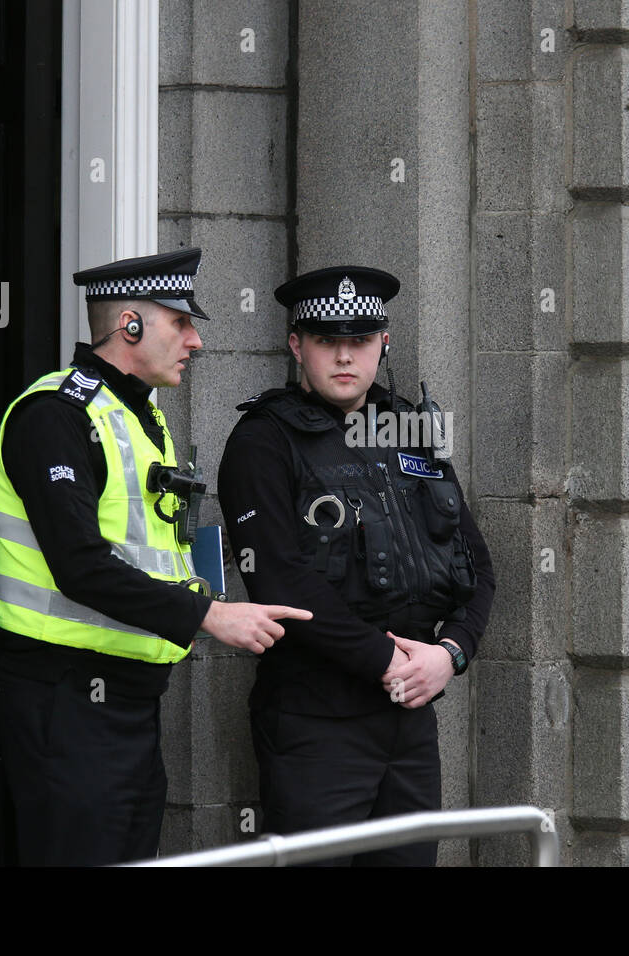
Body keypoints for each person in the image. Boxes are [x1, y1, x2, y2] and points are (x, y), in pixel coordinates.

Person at [0, 246, 311, 866]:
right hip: (66, 700)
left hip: (129, 703)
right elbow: (80, 565)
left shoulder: (142, 419)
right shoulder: (55, 416)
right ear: (129, 324)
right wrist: (211, 617)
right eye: (181, 322)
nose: (194, 341)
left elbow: (157, 548)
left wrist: (216, 599)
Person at [217, 265, 495, 866]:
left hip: (410, 718)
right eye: (326, 340)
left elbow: (477, 565)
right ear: (297, 345)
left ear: (383, 343)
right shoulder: (262, 442)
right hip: (317, 725)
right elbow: (281, 581)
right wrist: (389, 663)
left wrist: (450, 656)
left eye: (360, 340)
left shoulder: (411, 432)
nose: (345, 356)